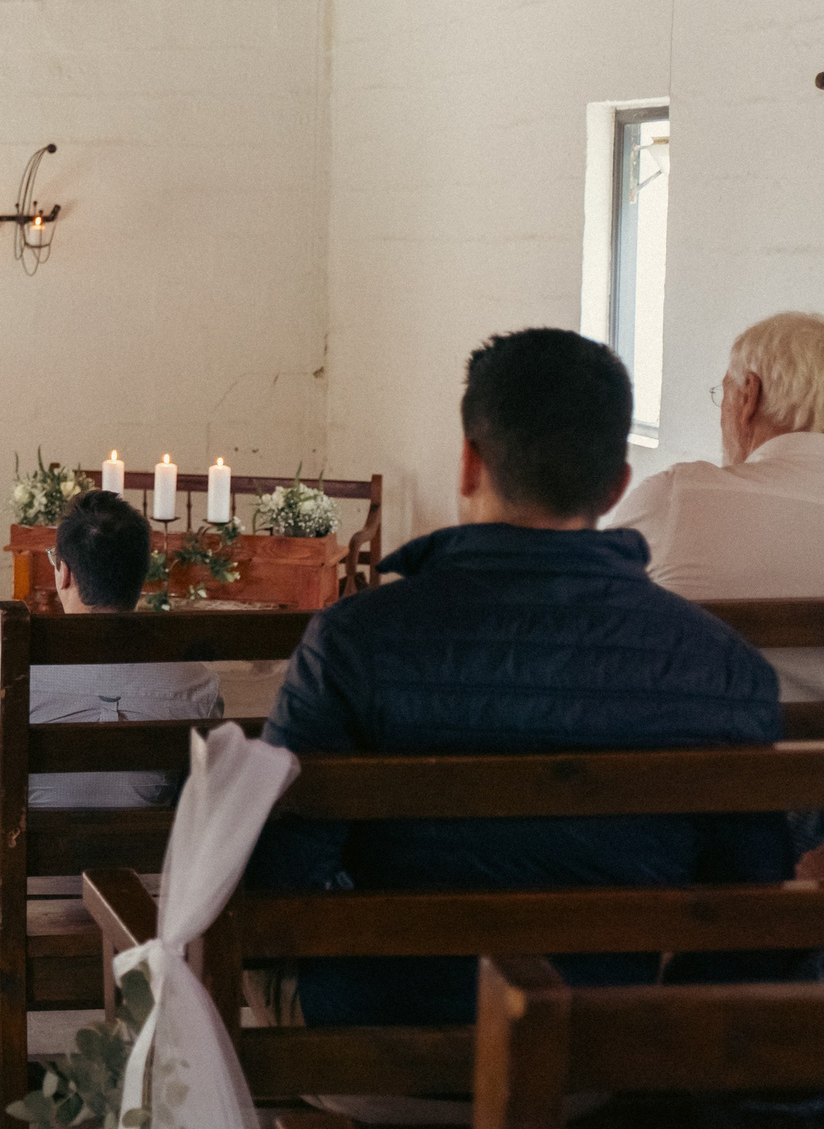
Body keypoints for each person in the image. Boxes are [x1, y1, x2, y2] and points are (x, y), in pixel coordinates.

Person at [248, 328, 788, 1030]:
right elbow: (751, 918)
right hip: (602, 1050)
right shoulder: (723, 664)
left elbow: (277, 885)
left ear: (468, 462)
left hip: (378, 1048)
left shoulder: (355, 639)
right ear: (617, 484)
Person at [606, 310, 824, 700]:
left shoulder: (677, 496)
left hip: (708, 738)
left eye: (723, 393)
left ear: (749, 395)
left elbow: (593, 619)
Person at [0, 490, 224, 811]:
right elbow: (199, 794)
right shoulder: (199, 684)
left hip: (28, 840)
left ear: (65, 574)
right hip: (144, 841)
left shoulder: (6, 668)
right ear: (142, 577)